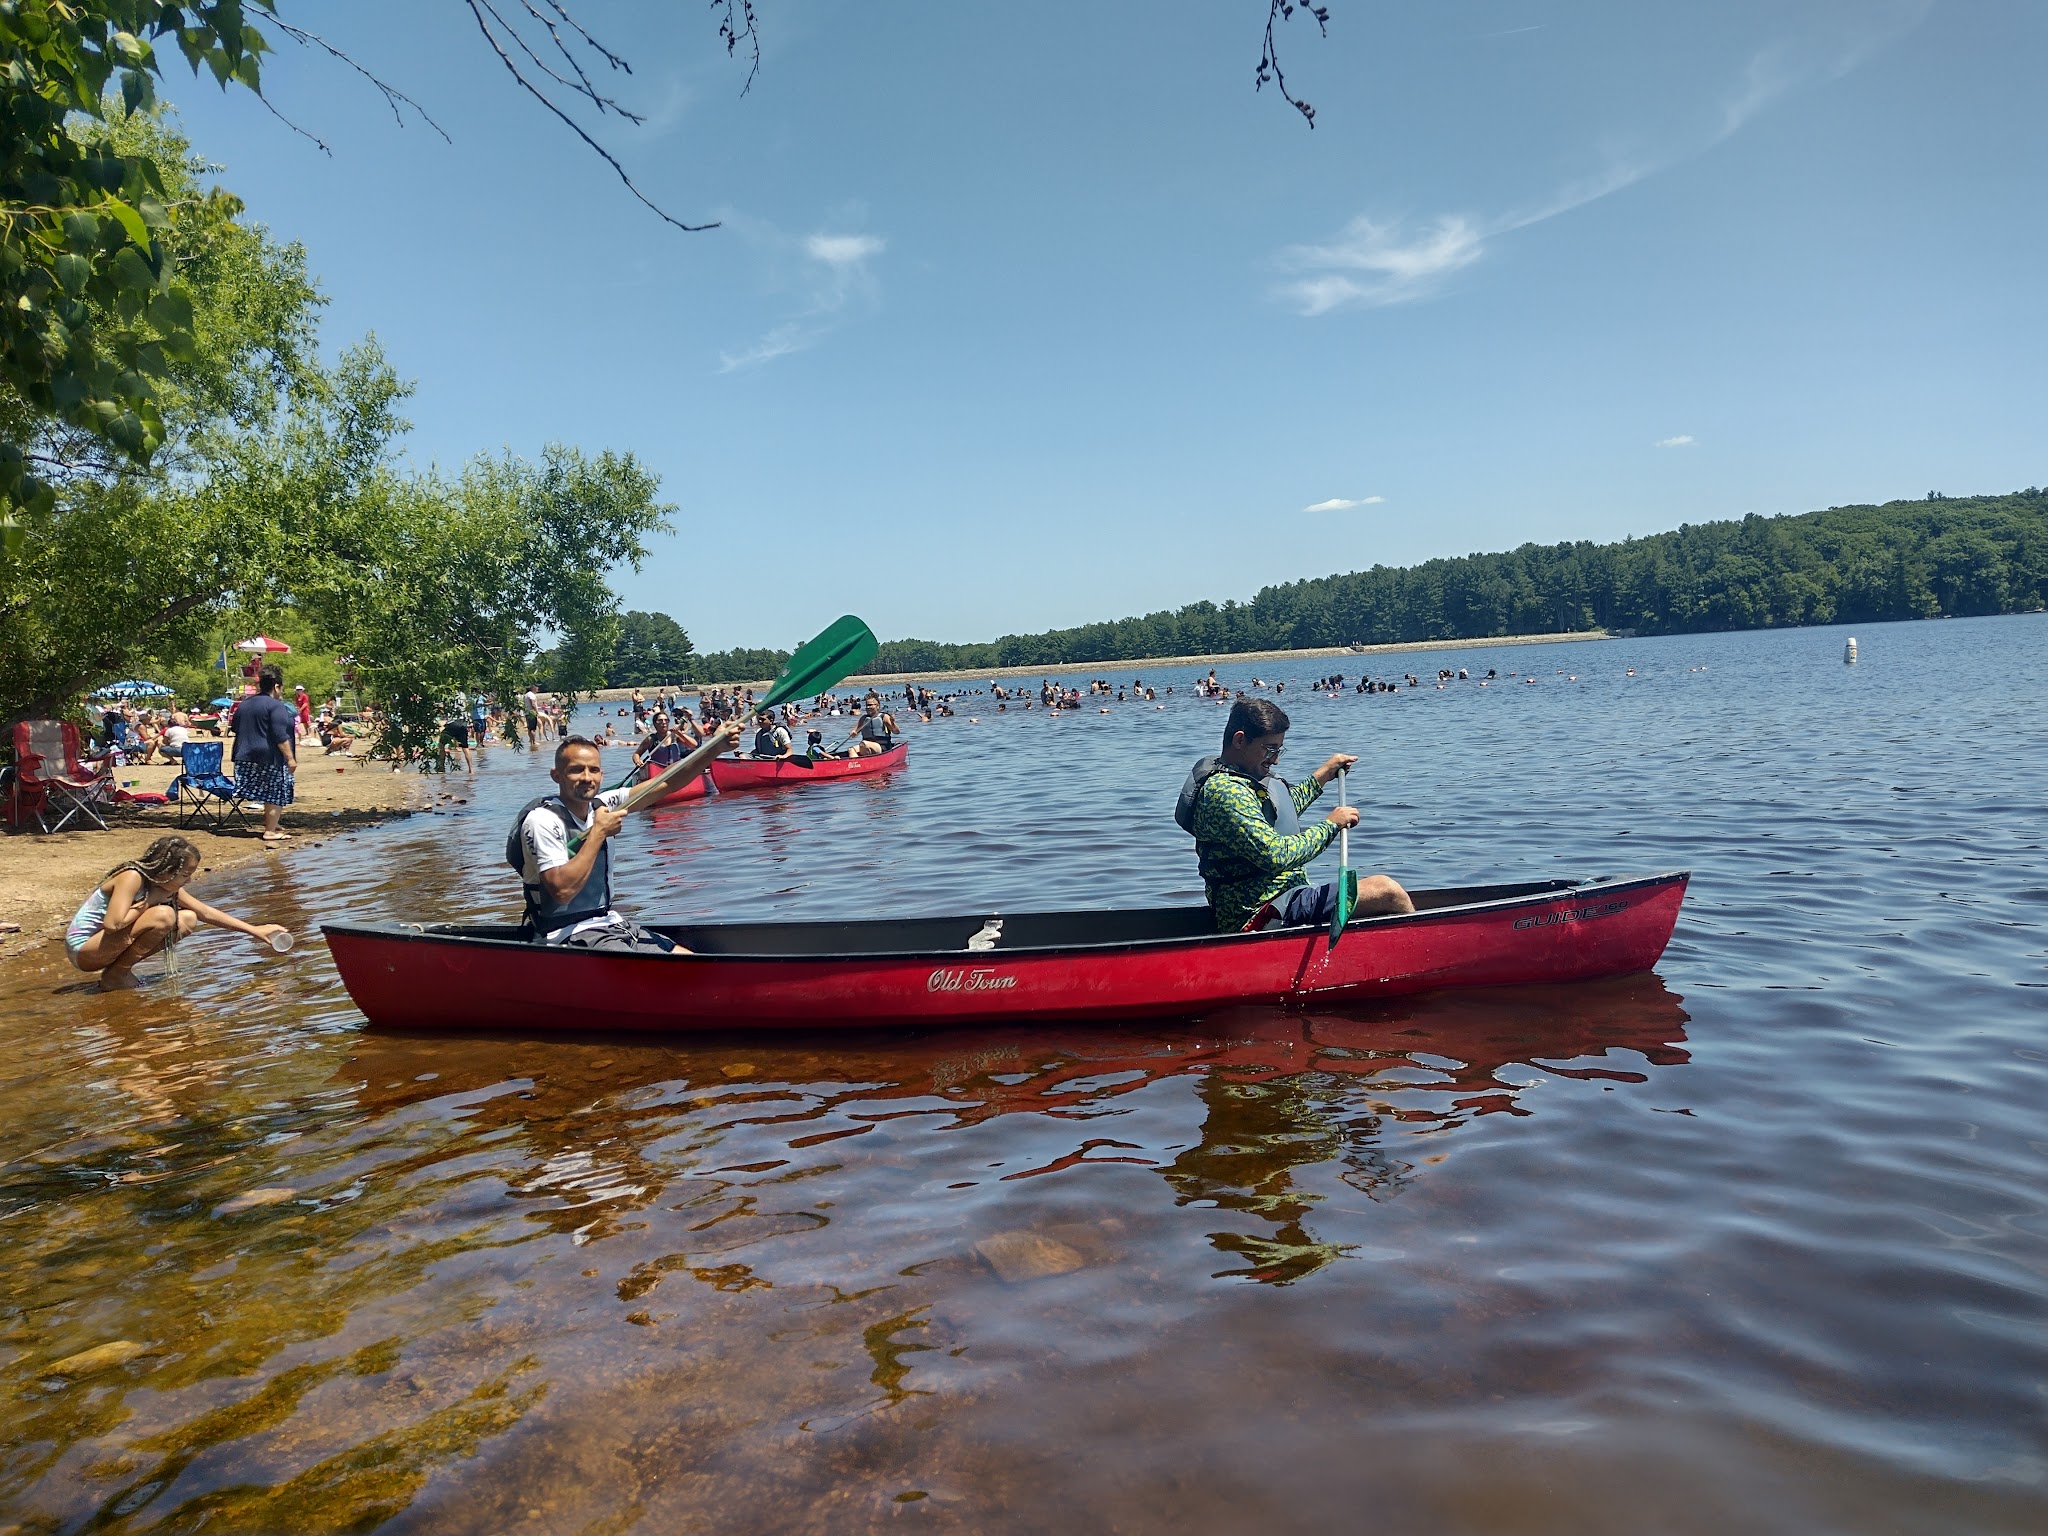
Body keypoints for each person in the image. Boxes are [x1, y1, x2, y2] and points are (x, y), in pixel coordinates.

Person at [1179, 698, 1413, 933]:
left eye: (1278, 750)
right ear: (1240, 740)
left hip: (1285, 898)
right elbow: (1276, 855)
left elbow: (1283, 811)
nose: (1275, 759)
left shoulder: (1239, 778)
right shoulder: (1226, 792)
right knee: (1387, 891)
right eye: (1270, 749)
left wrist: (1324, 774)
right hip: (1261, 912)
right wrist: (1330, 825)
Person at [512, 726, 739, 952]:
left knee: (686, 958)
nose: (587, 777)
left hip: (610, 923)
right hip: (565, 932)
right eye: (576, 770)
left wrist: (714, 749)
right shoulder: (542, 820)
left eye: (593, 770)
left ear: (602, 775)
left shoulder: (603, 805)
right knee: (660, 968)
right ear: (556, 776)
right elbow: (562, 892)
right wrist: (599, 832)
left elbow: (666, 782)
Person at [67, 835, 289, 989]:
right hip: (83, 951)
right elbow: (113, 924)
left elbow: (205, 912)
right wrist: (150, 901)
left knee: (188, 918)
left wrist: (255, 930)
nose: (188, 881)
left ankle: (117, 973)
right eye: (184, 875)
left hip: (104, 946)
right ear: (165, 871)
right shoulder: (132, 877)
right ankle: (117, 974)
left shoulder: (163, 886)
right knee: (164, 915)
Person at [232, 664, 300, 843]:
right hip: (269, 757)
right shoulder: (276, 706)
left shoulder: (244, 705)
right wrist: (290, 758)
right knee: (275, 792)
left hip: (244, 756)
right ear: (276, 686)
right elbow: (280, 735)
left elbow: (235, 728)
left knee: (266, 792)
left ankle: (273, 823)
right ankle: (270, 831)